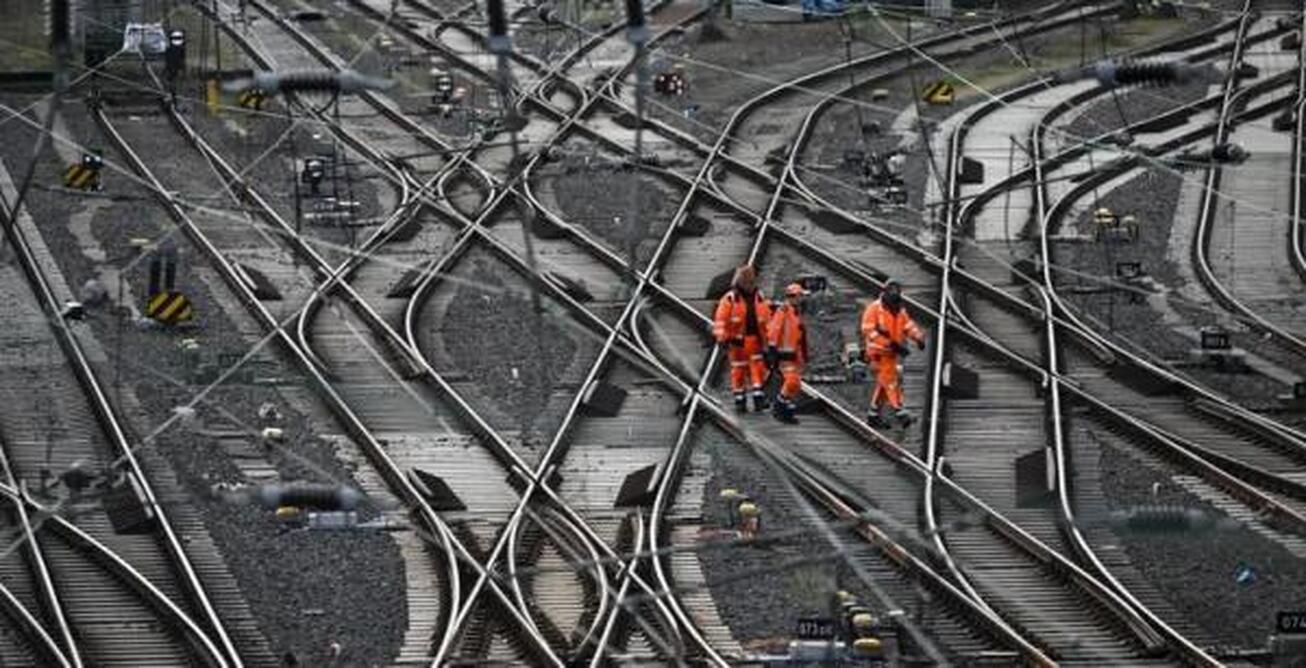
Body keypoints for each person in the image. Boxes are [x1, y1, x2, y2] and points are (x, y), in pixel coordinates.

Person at [861, 279, 926, 428]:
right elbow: (868, 330)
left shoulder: (899, 309)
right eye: (891, 291)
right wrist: (889, 344)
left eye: (896, 292)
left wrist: (918, 338)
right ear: (885, 292)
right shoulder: (874, 309)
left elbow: (908, 326)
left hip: (891, 352)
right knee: (891, 380)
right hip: (878, 352)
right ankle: (900, 411)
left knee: (883, 383)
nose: (894, 294)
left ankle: (873, 415)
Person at [713, 265, 772, 412]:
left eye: (751, 282)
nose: (750, 285)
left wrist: (770, 341)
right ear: (740, 282)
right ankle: (740, 400)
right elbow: (721, 320)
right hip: (737, 343)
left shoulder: (759, 297)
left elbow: (767, 320)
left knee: (757, 369)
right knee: (739, 370)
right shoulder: (730, 299)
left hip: (755, 340)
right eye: (747, 282)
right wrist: (722, 338)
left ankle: (758, 398)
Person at [766, 283, 809, 424]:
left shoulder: (794, 312)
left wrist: (803, 356)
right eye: (800, 296)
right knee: (792, 382)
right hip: (784, 355)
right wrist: (773, 350)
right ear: (794, 296)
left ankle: (785, 409)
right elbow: (774, 330)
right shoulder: (784, 311)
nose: (802, 299)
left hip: (793, 355)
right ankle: (779, 407)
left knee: (795, 384)